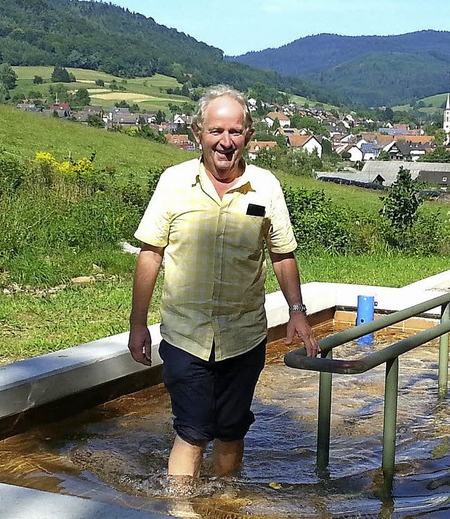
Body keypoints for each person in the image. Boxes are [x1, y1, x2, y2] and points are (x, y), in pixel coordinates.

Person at [127, 85, 320, 481]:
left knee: (231, 431)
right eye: (216, 131)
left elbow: (282, 254)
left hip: (244, 335)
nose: (226, 142)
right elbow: (151, 253)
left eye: (235, 132)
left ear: (248, 135)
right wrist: (137, 323)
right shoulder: (173, 182)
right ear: (199, 133)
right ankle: (182, 511)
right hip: (186, 334)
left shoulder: (266, 187)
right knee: (192, 432)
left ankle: (225, 505)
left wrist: (297, 313)